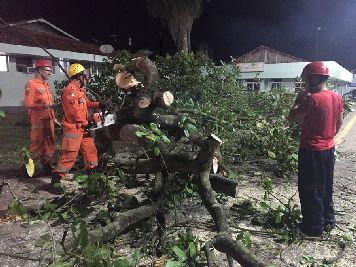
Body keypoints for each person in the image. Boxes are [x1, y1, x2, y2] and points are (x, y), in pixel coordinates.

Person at [287, 61, 343, 237]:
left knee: (310, 188)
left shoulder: (312, 99)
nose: (304, 83)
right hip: (328, 149)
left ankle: (313, 227)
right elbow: (339, 123)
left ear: (313, 78)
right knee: (326, 186)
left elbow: (291, 117)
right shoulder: (336, 97)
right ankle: (328, 221)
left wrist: (299, 98)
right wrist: (328, 138)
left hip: (311, 151)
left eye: (305, 79)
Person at [51, 63, 105, 192]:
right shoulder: (70, 91)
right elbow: (73, 112)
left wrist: (99, 104)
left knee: (90, 151)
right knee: (70, 155)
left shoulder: (79, 90)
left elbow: (86, 103)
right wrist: (88, 123)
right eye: (84, 75)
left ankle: (92, 175)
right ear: (79, 76)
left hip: (83, 127)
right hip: (74, 128)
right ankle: (56, 179)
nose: (86, 78)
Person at [24, 59, 55, 176]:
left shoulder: (45, 85)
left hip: (49, 119)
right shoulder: (31, 84)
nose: (50, 73)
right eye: (48, 70)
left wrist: (53, 117)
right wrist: (43, 105)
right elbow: (28, 104)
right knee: (36, 145)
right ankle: (27, 170)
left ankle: (47, 167)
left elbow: (49, 104)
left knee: (49, 143)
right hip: (38, 120)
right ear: (40, 70)